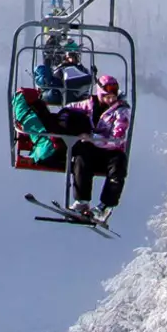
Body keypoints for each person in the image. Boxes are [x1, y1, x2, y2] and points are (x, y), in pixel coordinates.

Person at [69, 74, 131, 222]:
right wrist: (68, 121)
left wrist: (93, 138)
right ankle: (82, 202)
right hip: (93, 151)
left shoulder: (121, 111)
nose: (111, 100)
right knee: (81, 156)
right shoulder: (89, 105)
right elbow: (68, 109)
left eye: (113, 97)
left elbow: (117, 139)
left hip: (111, 153)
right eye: (107, 96)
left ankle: (105, 207)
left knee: (119, 163)